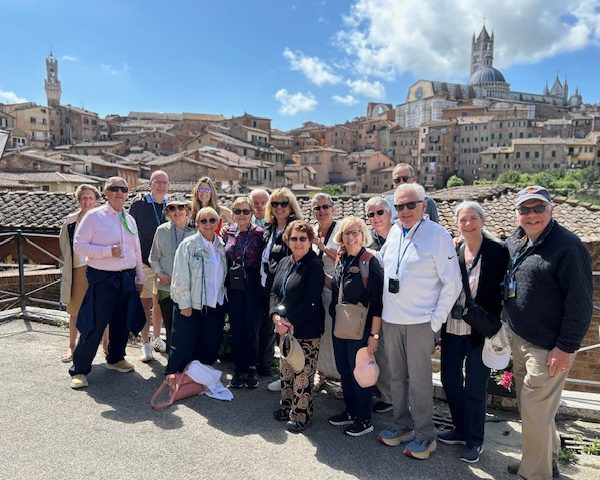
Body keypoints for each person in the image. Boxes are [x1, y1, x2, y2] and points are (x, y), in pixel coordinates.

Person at [503, 186, 593, 480]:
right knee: (534, 412)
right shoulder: (519, 241)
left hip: (547, 346)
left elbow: (580, 303)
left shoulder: (568, 246)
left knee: (535, 412)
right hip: (520, 338)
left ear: (550, 209)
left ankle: (534, 474)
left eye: (537, 208)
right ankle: (544, 460)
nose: (531, 215)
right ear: (517, 214)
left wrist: (565, 347)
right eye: (524, 210)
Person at [377, 183, 461, 460]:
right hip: (391, 320)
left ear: (424, 205)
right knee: (396, 379)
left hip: (420, 324)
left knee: (420, 383)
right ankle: (401, 426)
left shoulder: (437, 235)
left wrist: (434, 324)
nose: (404, 211)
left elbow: (453, 283)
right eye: (399, 206)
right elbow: (386, 265)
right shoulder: (393, 233)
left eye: (410, 205)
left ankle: (425, 436)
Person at [438, 201, 509, 463]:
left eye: (472, 219)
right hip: (453, 327)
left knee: (476, 387)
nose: (467, 224)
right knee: (450, 380)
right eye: (462, 220)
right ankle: (460, 428)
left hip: (480, 330)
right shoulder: (455, 249)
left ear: (482, 221)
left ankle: (474, 440)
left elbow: (504, 290)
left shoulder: (497, 251)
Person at [69, 177, 146, 389]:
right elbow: (79, 246)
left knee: (121, 322)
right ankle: (80, 370)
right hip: (103, 278)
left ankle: (115, 359)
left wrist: (139, 276)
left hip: (127, 277)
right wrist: (107, 252)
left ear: (127, 194)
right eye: (115, 188)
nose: (120, 192)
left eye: (123, 189)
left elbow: (137, 250)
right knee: (94, 324)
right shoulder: (94, 216)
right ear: (106, 192)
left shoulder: (129, 219)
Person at [328, 217, 384, 437]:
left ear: (363, 235)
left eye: (355, 232)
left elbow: (379, 303)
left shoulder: (369, 262)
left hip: (362, 329)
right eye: (347, 233)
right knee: (344, 370)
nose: (351, 237)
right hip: (341, 326)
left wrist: (375, 335)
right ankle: (350, 411)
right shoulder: (341, 258)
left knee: (361, 373)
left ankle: (364, 419)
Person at [270, 220, 325, 433]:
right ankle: (286, 407)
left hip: (306, 329)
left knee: (303, 374)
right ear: (288, 240)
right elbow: (274, 292)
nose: (298, 242)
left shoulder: (314, 265)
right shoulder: (284, 262)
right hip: (283, 328)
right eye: (294, 238)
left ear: (310, 240)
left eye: (303, 238)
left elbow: (311, 300)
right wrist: (275, 317)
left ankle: (302, 415)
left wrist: (288, 322)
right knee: (286, 371)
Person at [166, 207, 227, 375]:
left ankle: (200, 378)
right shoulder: (188, 245)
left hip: (215, 303)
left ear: (217, 223)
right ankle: (175, 378)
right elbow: (180, 276)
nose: (208, 224)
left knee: (209, 345)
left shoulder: (221, 245)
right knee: (184, 344)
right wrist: (184, 303)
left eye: (212, 220)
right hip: (192, 304)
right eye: (203, 221)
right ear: (197, 223)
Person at [257, 188, 303, 385]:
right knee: (270, 327)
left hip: (285, 287)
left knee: (287, 330)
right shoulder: (269, 228)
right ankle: (270, 368)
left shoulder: (295, 229)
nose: (279, 208)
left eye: (283, 203)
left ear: (291, 206)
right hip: (266, 285)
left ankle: (291, 375)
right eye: (275, 204)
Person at [222, 196, 265, 388]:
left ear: (252, 213)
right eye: (237, 211)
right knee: (237, 327)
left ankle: (251, 367)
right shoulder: (227, 233)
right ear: (233, 213)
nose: (241, 215)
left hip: (253, 285)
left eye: (245, 211)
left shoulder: (260, 233)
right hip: (234, 286)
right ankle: (239, 369)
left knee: (252, 328)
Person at [128, 170, 170, 362]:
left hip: (166, 266)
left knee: (161, 305)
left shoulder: (173, 205)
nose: (161, 186)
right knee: (145, 304)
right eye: (157, 182)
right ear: (150, 184)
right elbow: (129, 229)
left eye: (165, 182)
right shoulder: (139, 203)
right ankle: (145, 344)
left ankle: (156, 337)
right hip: (145, 263)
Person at [59, 184, 102, 363]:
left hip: (100, 270)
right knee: (74, 311)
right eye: (83, 197)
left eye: (90, 197)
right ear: (79, 200)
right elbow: (63, 245)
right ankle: (71, 346)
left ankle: (107, 347)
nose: (87, 201)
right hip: (77, 270)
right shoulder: (70, 222)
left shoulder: (103, 220)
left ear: (97, 200)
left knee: (102, 312)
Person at [148, 194, 195, 354]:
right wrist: (159, 273)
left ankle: (189, 364)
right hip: (166, 287)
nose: (177, 211)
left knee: (189, 328)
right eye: (172, 208)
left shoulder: (196, 230)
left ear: (187, 210)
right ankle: (172, 365)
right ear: (167, 212)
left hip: (190, 289)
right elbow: (153, 257)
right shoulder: (161, 231)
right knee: (170, 326)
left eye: (181, 207)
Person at [364, 196, 394, 414]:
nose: (375, 218)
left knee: (394, 354)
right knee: (380, 350)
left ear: (389, 213)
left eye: (379, 213)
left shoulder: (402, 236)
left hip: (398, 305)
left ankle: (395, 398)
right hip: (376, 304)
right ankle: (386, 394)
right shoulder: (369, 240)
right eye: (371, 214)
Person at [311, 193, 341, 390]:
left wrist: (321, 246)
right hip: (314, 291)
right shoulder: (312, 229)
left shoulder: (341, 230)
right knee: (319, 333)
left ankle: (341, 379)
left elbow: (343, 257)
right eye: (317, 208)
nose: (321, 211)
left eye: (325, 207)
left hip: (334, 290)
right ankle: (320, 374)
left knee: (335, 334)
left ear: (333, 208)